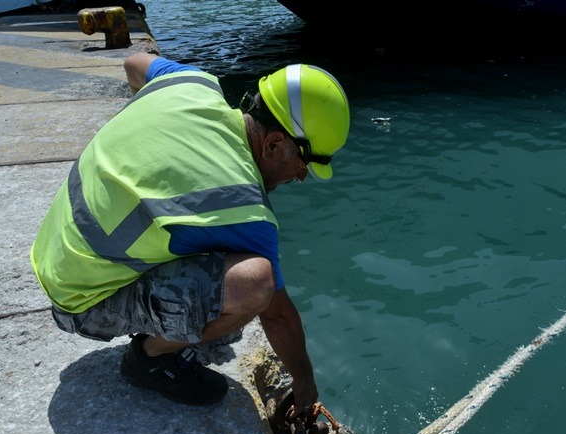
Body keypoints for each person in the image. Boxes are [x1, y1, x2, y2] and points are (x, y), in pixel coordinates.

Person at [30, 51, 350, 414]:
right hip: (80, 302)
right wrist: (305, 383)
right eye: (303, 161)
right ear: (274, 143)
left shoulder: (191, 84)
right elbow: (276, 315)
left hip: (53, 254)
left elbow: (134, 64)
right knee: (254, 283)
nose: (302, 176)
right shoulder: (243, 206)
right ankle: (151, 358)